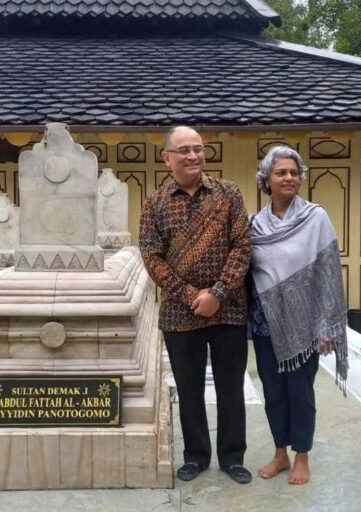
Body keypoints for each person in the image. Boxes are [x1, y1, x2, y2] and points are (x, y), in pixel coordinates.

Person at [139, 126, 252, 484]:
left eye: (198, 149)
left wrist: (217, 292)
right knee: (188, 390)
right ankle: (196, 456)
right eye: (183, 150)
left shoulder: (228, 194)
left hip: (229, 309)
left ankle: (232, 456)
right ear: (167, 157)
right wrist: (191, 297)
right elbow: (152, 257)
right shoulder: (154, 204)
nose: (192, 156)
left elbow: (242, 247)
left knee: (231, 387)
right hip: (179, 313)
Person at [248, 145, 348, 485]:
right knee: (273, 393)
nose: (289, 177)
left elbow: (328, 273)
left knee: (301, 393)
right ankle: (280, 453)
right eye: (281, 172)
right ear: (266, 179)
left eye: (294, 172)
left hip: (305, 325)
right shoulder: (255, 224)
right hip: (265, 324)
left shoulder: (315, 218)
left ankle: (302, 455)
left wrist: (326, 326)